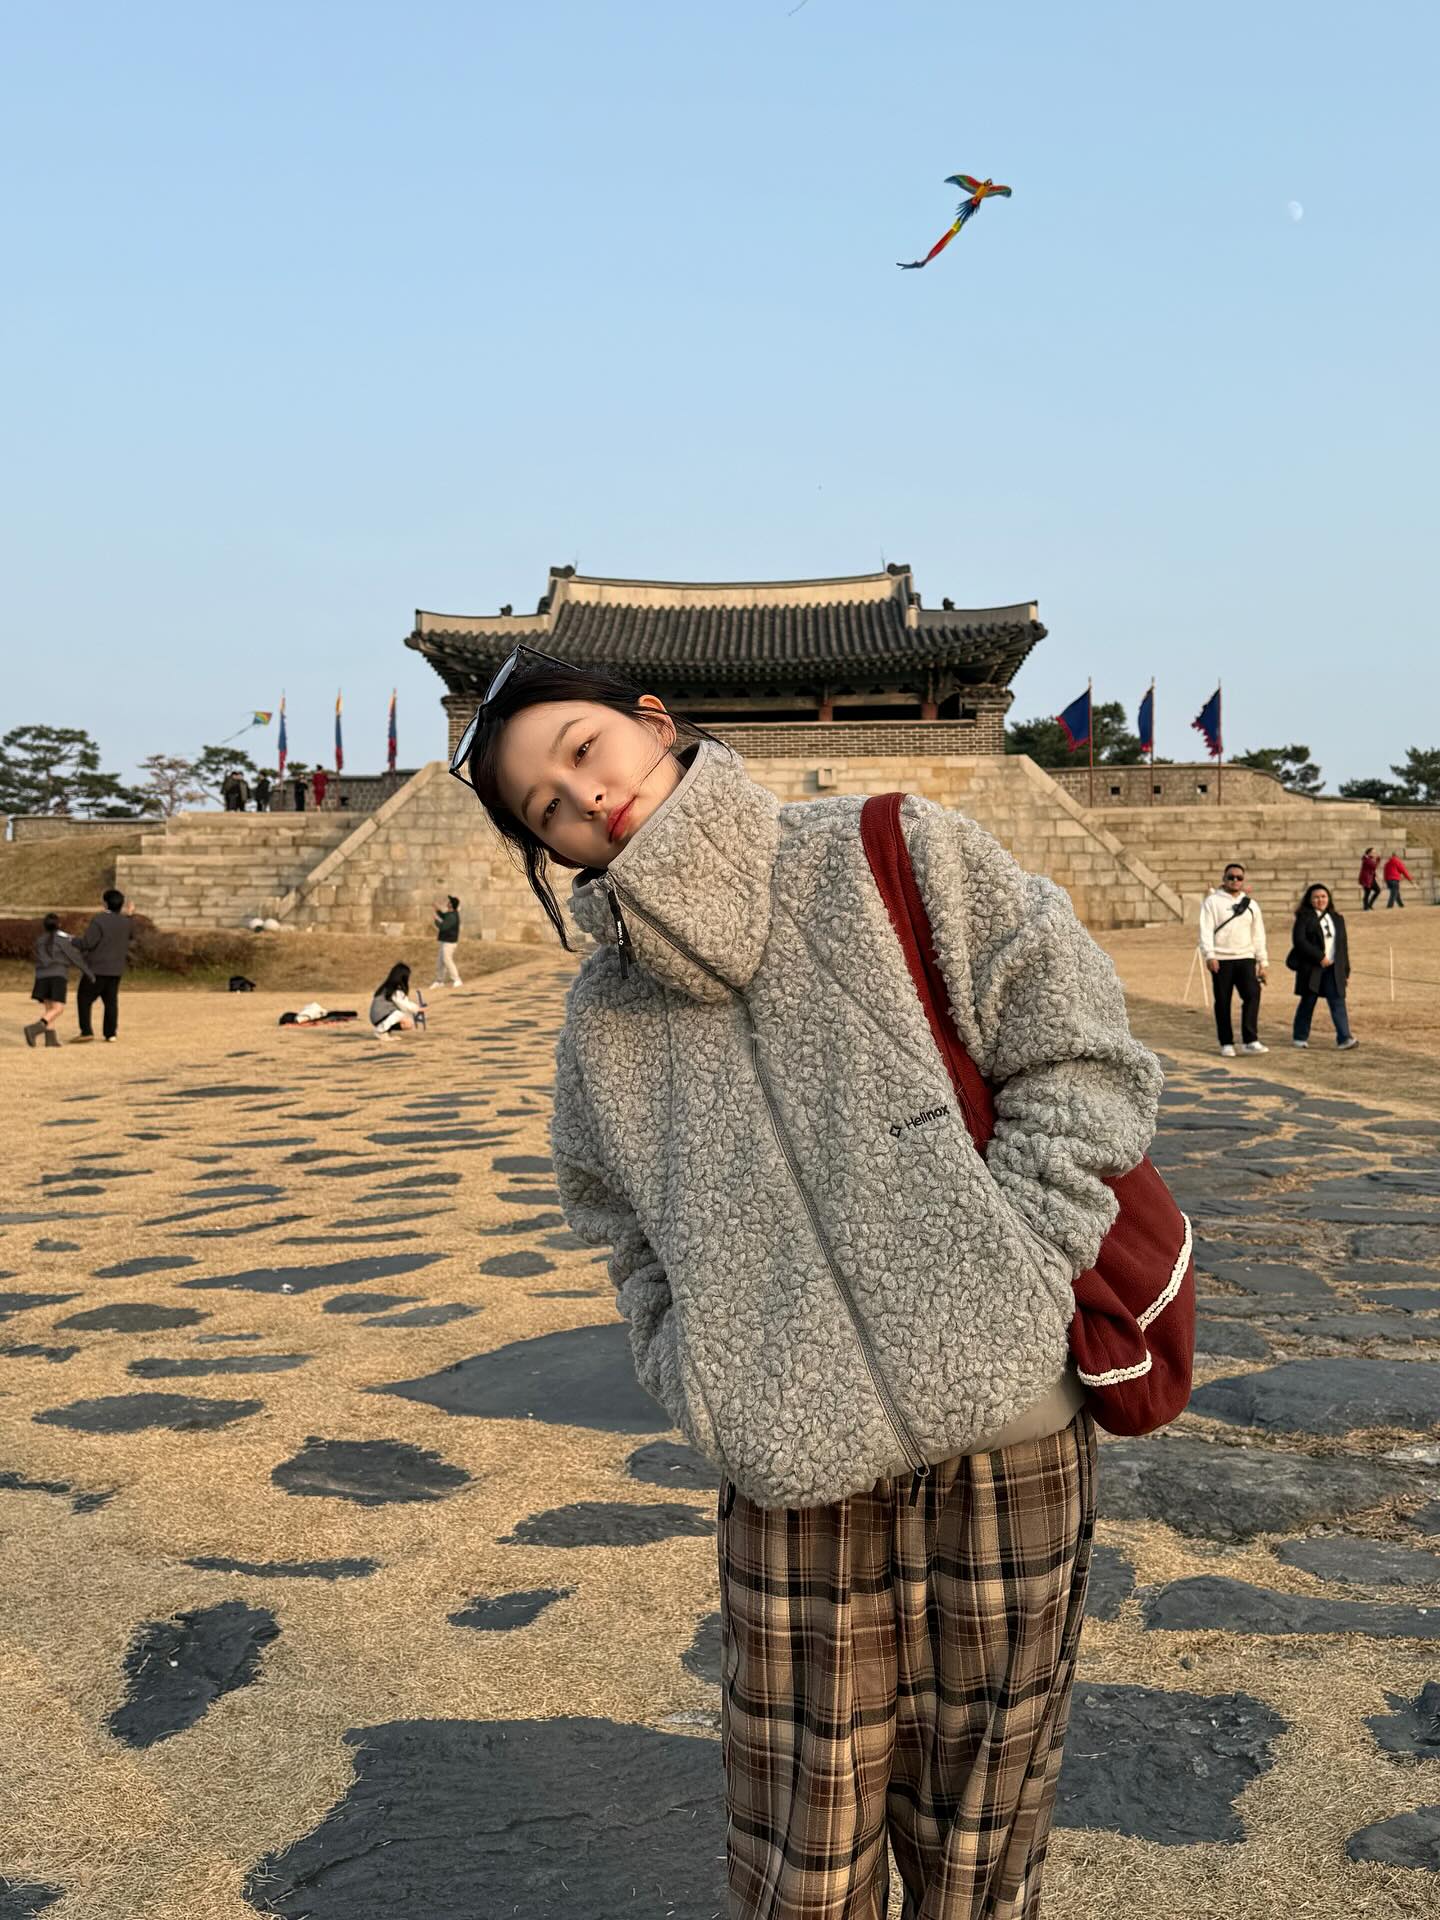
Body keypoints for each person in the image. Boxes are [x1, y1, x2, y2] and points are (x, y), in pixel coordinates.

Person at [456, 646, 1164, 1917]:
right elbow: (618, 1226)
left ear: (652, 718)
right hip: (790, 1470)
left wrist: (1019, 1268)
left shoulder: (892, 848)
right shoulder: (603, 1020)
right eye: (545, 808)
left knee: (983, 1838)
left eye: (583, 751)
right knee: (803, 1859)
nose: (584, 800)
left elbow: (1081, 1055)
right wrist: (703, 1371)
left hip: (1011, 1436)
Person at [1197, 859, 1269, 1057]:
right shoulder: (1212, 902)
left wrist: (1262, 961)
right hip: (1221, 959)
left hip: (1246, 957)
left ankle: (1250, 1039)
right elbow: (1206, 930)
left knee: (1252, 995)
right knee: (1223, 1001)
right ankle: (1226, 1042)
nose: (1235, 881)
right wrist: (1209, 955)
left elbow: (1258, 934)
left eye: (1239, 878)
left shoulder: (1251, 905)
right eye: (1231, 877)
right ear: (1224, 879)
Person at [1288, 882, 1359, 1050]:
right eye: (1316, 897)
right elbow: (1299, 941)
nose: (1320, 900)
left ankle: (1344, 1038)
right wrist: (1319, 957)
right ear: (1310, 899)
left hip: (1333, 969)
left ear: (1329, 898)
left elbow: (1342, 946)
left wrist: (1345, 971)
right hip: (1312, 967)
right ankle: (1300, 1037)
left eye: (1323, 896)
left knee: (1338, 1002)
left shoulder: (1337, 918)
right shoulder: (1304, 917)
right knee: (1308, 1001)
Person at [24, 914, 94, 1048]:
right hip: (57, 976)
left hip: (41, 977)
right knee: (58, 1009)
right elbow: (75, 958)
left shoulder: (39, 940)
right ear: (59, 925)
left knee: (49, 1008)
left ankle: (50, 1039)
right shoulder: (62, 940)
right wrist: (89, 973)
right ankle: (34, 1029)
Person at [75, 888, 134, 1043]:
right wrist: (129, 914)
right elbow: (128, 931)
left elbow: (87, 943)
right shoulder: (126, 922)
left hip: (97, 967)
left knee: (84, 998)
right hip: (116, 969)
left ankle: (86, 1031)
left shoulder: (99, 920)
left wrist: (71, 940)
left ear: (105, 903)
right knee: (110, 1001)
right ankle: (110, 1033)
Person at [369, 962, 425, 1035]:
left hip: (378, 1016)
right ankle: (380, 1031)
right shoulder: (395, 988)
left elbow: (403, 1003)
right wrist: (417, 1009)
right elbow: (403, 1004)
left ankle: (385, 1031)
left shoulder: (388, 986)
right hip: (379, 1016)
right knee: (399, 1014)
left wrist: (416, 1009)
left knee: (407, 1022)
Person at [433, 894, 463, 987]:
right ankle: (439, 981)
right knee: (440, 961)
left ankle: (457, 979)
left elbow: (443, 927)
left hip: (449, 942)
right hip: (445, 941)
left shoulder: (452, 916)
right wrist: (437, 910)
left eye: (449, 902)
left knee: (447, 960)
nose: (447, 903)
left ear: (451, 905)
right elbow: (444, 916)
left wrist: (436, 921)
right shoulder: (450, 914)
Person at [1358, 847, 1380, 912]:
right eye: (1373, 852)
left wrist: (1375, 875)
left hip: (1371, 878)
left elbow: (1371, 869)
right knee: (1367, 892)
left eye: (1375, 852)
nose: (1375, 853)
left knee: (1377, 890)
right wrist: (1378, 859)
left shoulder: (1369, 859)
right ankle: (1366, 907)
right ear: (1369, 853)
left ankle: (1369, 905)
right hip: (1366, 879)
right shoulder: (1366, 859)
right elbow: (1374, 866)